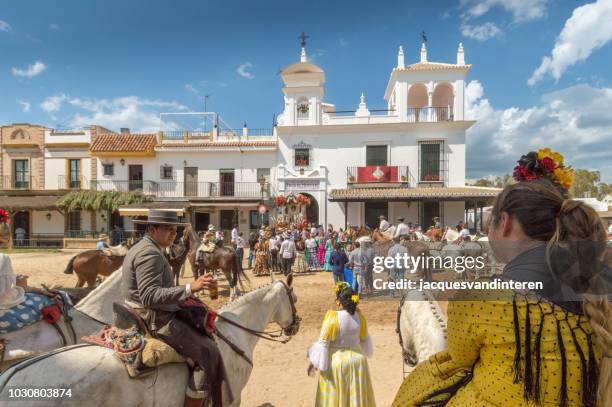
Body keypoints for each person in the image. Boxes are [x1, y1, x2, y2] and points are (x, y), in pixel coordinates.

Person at [392, 148, 612, 407]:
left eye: (490, 222)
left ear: (504, 222)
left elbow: (461, 358)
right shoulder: (598, 282)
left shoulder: (479, 299)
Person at [122, 210, 229, 407]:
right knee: (210, 353)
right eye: (168, 229)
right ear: (151, 229)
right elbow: (149, 296)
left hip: (144, 312)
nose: (173, 234)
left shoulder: (144, 247)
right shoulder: (149, 253)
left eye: (175, 229)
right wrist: (190, 287)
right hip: (155, 319)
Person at [308, 282, 375, 406]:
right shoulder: (360, 318)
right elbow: (365, 340)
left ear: (340, 301)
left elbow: (323, 344)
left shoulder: (332, 318)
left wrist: (314, 363)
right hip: (358, 362)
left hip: (337, 364)